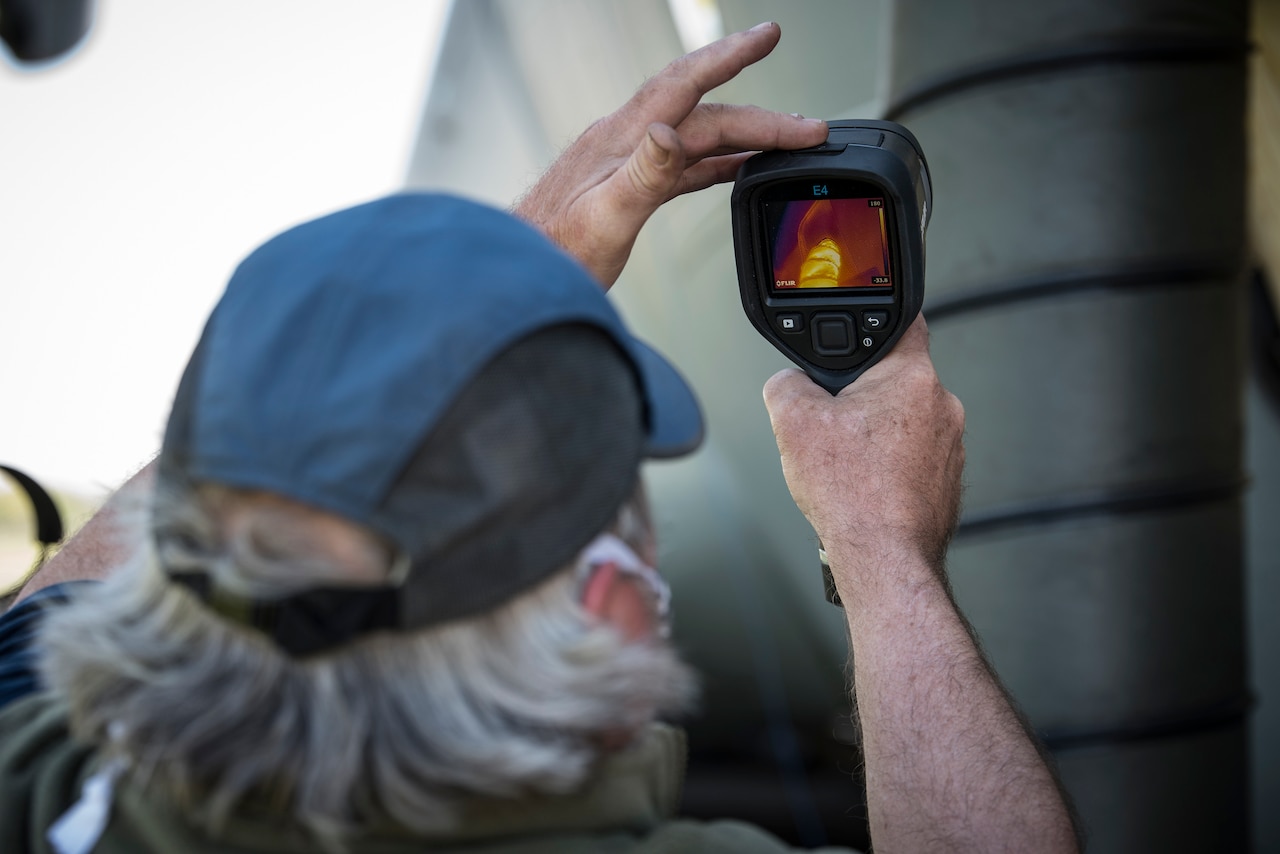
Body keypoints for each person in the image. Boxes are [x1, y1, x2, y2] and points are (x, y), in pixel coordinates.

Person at [0, 24, 1078, 854]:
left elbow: (42, 626)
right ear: (604, 604)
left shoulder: (47, 790)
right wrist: (883, 549)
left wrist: (504, 282)